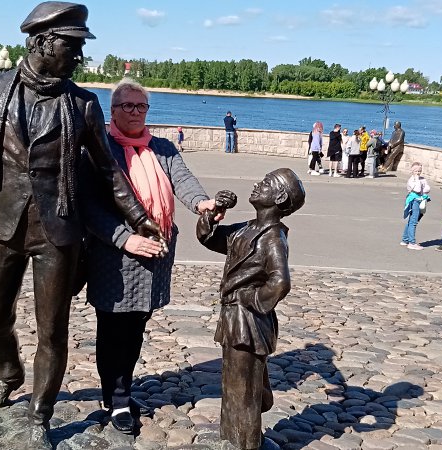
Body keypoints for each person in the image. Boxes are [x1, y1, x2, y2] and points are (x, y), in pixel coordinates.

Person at [0, 3, 162, 448]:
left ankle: (39, 412)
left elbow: (108, 171)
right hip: (2, 225)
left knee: (52, 330)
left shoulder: (82, 103)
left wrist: (139, 218)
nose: (79, 56)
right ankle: (9, 375)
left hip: (58, 231)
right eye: (73, 45)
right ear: (44, 42)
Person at [82, 79, 220, 435]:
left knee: (135, 329)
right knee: (113, 331)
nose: (134, 112)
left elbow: (183, 181)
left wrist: (203, 204)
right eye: (127, 105)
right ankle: (116, 400)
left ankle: (122, 391)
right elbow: (90, 206)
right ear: (113, 111)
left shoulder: (162, 148)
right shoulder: (100, 148)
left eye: (140, 106)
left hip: (155, 255)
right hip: (114, 257)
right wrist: (126, 239)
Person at [196, 169, 306, 450]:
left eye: (267, 183)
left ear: (279, 197)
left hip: (249, 321)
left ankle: (246, 443)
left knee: (243, 387)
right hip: (234, 318)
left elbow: (280, 282)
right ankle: (230, 437)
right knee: (232, 382)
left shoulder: (272, 238)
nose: (258, 184)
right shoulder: (246, 229)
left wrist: (250, 299)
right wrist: (213, 213)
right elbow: (210, 238)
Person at [401, 162, 431, 250]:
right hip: (414, 201)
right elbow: (418, 189)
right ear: (412, 171)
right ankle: (412, 243)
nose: (418, 173)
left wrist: (422, 184)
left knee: (413, 220)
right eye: (416, 171)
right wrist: (417, 180)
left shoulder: (423, 179)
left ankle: (405, 239)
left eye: (419, 171)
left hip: (421, 200)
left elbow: (427, 189)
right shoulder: (411, 180)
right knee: (413, 221)